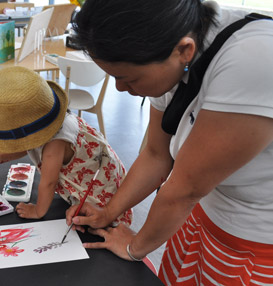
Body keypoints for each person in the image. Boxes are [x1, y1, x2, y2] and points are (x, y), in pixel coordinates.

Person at [64, 0, 273, 285]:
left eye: (128, 78)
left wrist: (133, 247)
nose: (120, 89)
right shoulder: (171, 52)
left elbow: (185, 189)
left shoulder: (254, 59)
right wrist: (107, 213)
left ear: (184, 50)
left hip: (254, 241)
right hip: (201, 216)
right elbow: (155, 154)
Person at [0, 66, 132, 224]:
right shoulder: (43, 123)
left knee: (97, 225)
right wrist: (1, 157)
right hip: (90, 179)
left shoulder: (55, 144)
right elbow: (27, 145)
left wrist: (38, 211)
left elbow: (49, 182)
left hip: (99, 193)